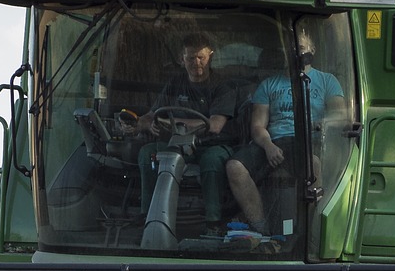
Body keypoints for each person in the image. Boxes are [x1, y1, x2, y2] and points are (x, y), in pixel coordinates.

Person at [224, 50, 347, 241]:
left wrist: (322, 124)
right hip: (275, 142)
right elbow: (257, 126)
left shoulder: (327, 81)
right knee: (234, 167)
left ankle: (312, 232)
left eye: (303, 47)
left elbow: (340, 116)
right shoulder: (268, 85)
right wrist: (268, 145)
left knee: (312, 164)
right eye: (294, 48)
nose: (298, 52)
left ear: (312, 51)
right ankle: (261, 230)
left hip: (309, 141)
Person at [135, 33, 241, 226]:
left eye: (201, 57)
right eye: (191, 58)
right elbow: (150, 116)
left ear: (210, 56)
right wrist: (147, 122)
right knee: (147, 153)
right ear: (181, 60)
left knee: (212, 161)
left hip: (211, 145)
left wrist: (168, 122)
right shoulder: (175, 84)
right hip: (177, 145)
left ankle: (213, 221)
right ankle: (147, 215)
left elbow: (215, 125)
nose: (196, 62)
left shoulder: (223, 86)